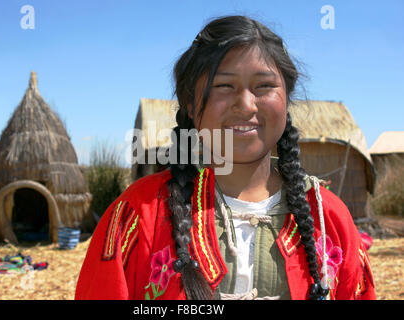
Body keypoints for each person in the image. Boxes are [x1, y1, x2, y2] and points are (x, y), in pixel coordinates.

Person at [75, 15, 375, 300]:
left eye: (264, 86)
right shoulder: (138, 216)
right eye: (223, 86)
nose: (246, 105)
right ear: (190, 104)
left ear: (287, 101)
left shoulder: (330, 218)